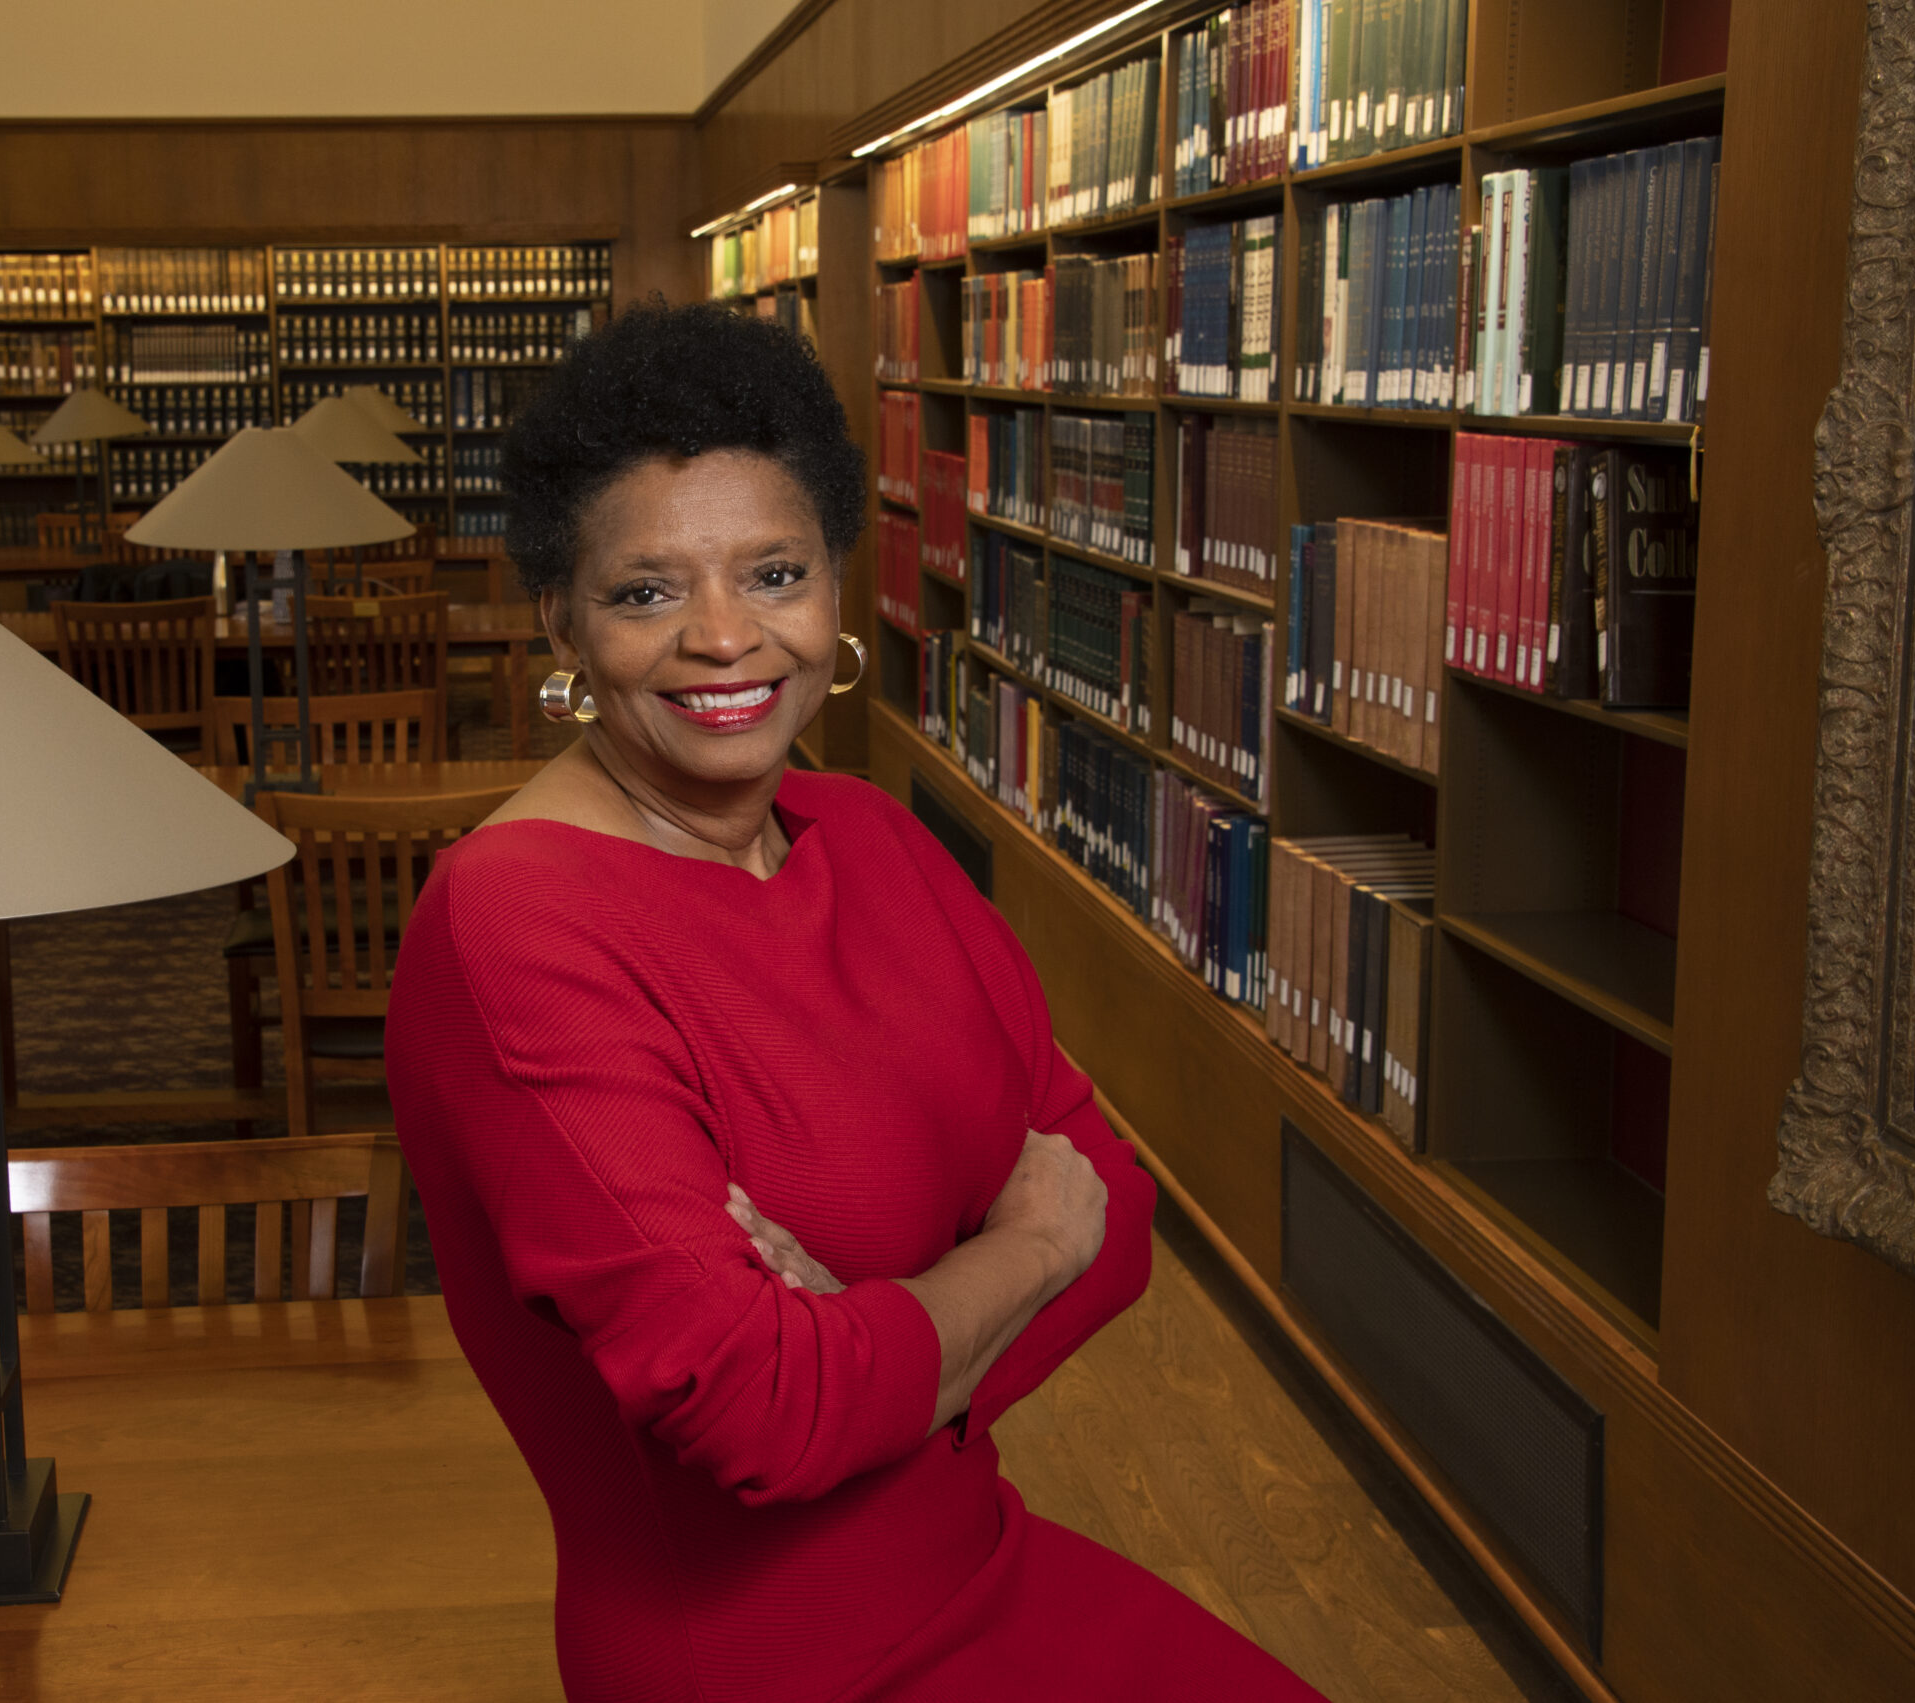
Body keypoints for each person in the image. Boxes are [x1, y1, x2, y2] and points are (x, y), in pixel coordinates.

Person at [385, 302, 1327, 1701]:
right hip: (765, 1662)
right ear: (562, 624)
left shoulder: (870, 840)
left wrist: (873, 1349)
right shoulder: (512, 922)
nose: (724, 638)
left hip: (979, 1561)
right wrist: (1013, 1251)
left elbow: (1116, 1212)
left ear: (835, 588)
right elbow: (761, 1408)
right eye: (647, 591)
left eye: (774, 572)